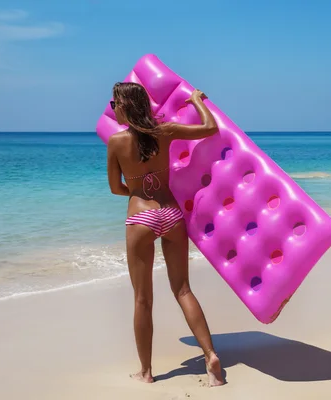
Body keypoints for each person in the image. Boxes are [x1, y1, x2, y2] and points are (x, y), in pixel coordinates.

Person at [106, 81, 224, 386]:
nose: (112, 107)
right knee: (183, 289)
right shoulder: (166, 131)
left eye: (115, 103)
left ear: (127, 106)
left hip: (141, 217)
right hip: (171, 215)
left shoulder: (116, 142)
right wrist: (197, 99)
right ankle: (210, 355)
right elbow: (209, 128)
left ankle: (145, 372)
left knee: (142, 300)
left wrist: (136, 191)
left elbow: (115, 188)